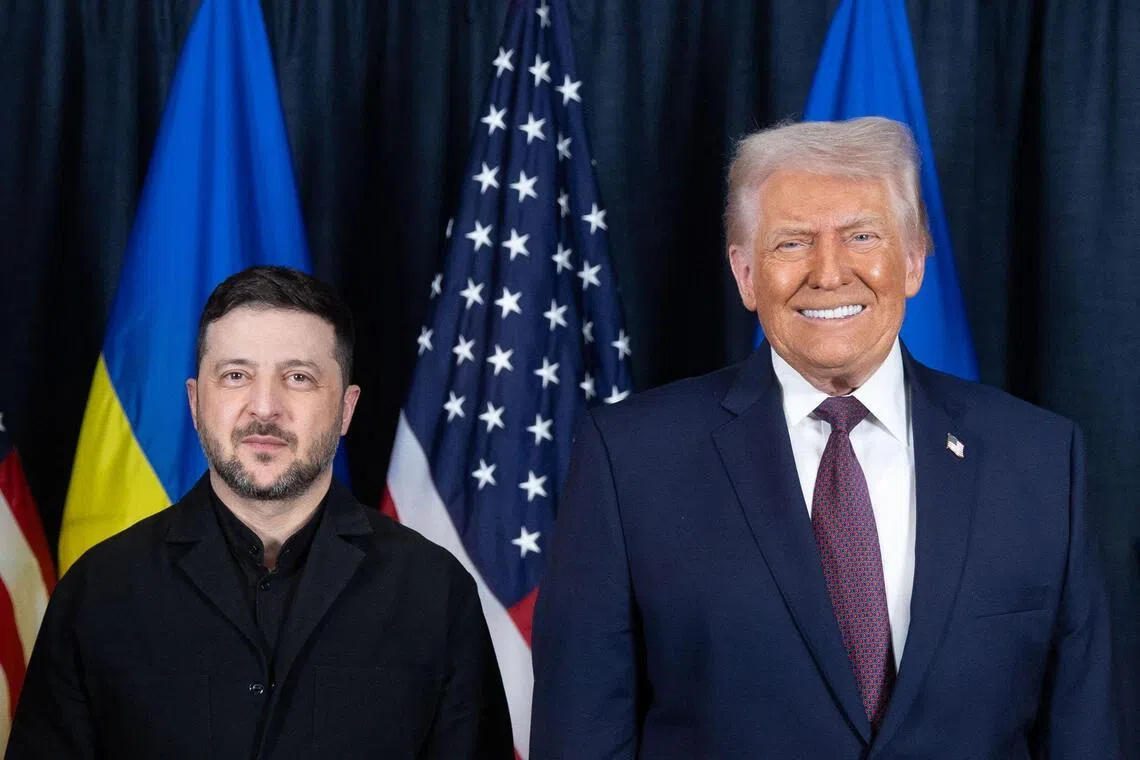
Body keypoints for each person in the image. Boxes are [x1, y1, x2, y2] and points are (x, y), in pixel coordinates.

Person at [530, 117, 1121, 758]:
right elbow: (580, 734)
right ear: (746, 274)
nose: (830, 273)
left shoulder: (1038, 458)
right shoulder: (630, 459)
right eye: (792, 244)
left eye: (862, 236)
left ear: (915, 260)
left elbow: (1083, 730)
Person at [7, 266, 514, 759]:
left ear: (346, 409)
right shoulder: (99, 591)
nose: (264, 407)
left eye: (298, 377)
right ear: (195, 403)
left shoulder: (435, 592)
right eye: (235, 375)